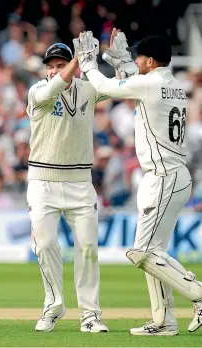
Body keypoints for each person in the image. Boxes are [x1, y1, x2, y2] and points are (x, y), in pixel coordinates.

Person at [73, 29, 202, 335]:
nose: (138, 61)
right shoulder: (172, 85)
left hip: (164, 177)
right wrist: (126, 61)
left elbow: (106, 85)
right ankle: (164, 321)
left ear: (150, 60)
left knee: (142, 252)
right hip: (171, 175)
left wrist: (88, 62)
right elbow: (137, 83)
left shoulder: (150, 84)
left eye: (140, 58)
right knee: (154, 252)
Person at [26, 41, 121, 333]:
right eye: (50, 66)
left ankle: (90, 315)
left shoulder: (88, 89)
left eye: (60, 64)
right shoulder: (38, 91)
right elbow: (55, 87)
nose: (54, 71)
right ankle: (53, 305)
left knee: (89, 248)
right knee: (44, 245)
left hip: (80, 183)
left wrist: (118, 58)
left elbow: (120, 86)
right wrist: (78, 58)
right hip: (43, 182)